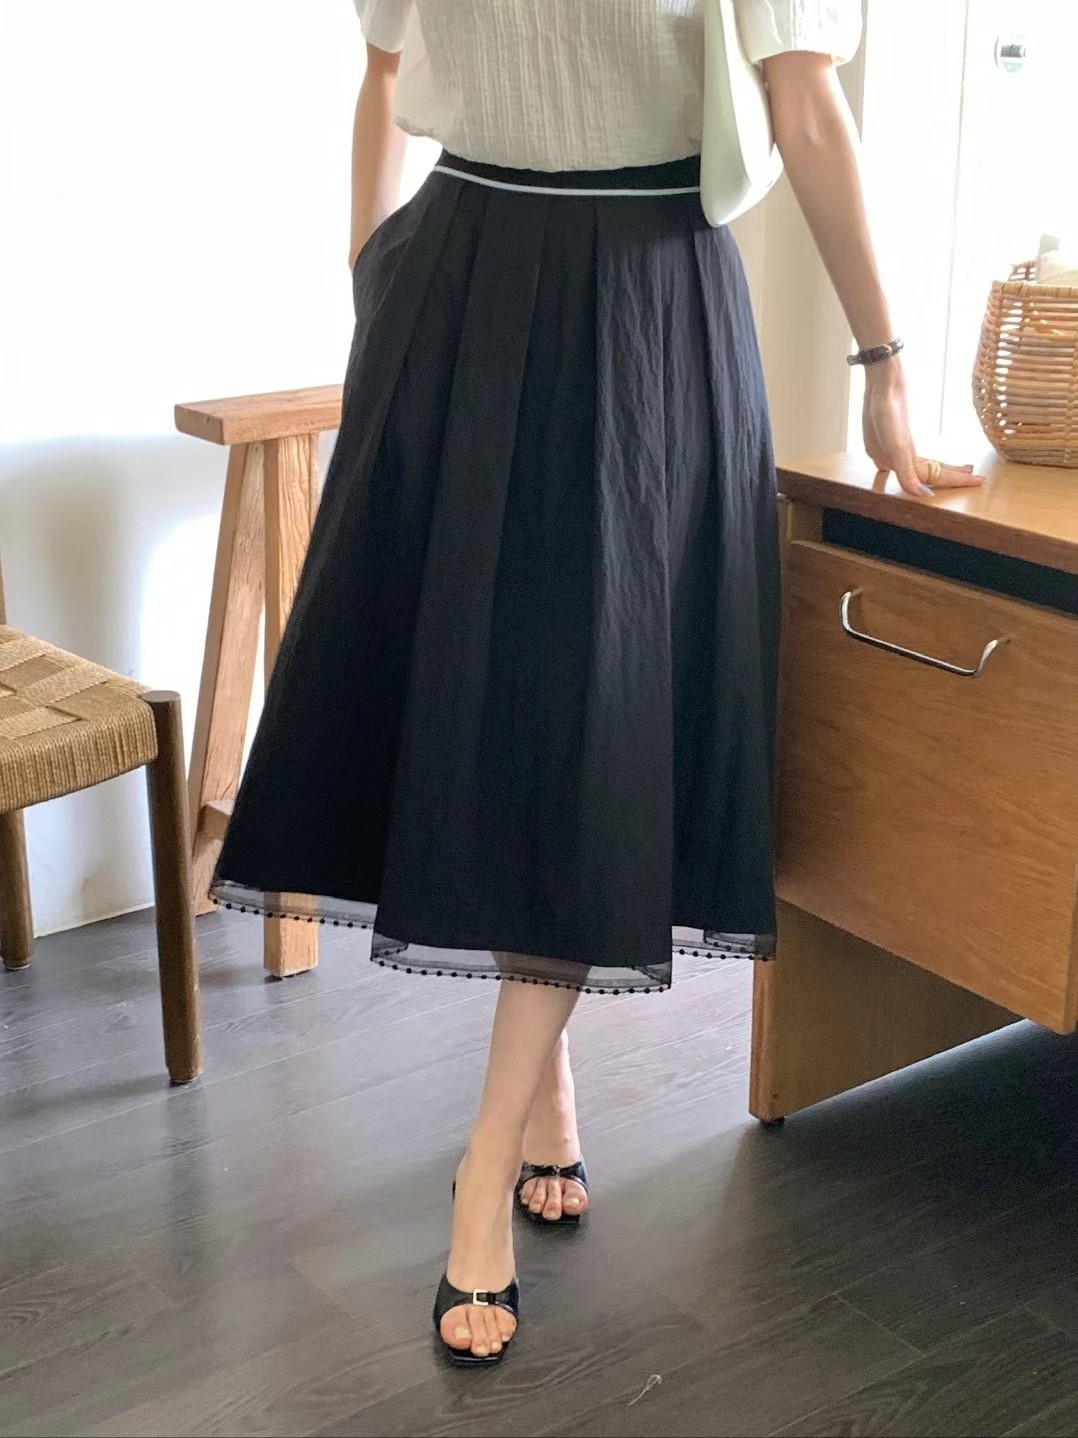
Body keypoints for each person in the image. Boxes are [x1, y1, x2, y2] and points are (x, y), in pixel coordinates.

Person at [212, 0, 984, 1367]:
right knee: (503, 706)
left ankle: (485, 1159)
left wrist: (881, 366)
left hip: (643, 301)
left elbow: (806, 109)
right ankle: (542, 1084)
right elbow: (382, 66)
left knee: (593, 720)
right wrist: (371, 271)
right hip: (455, 286)